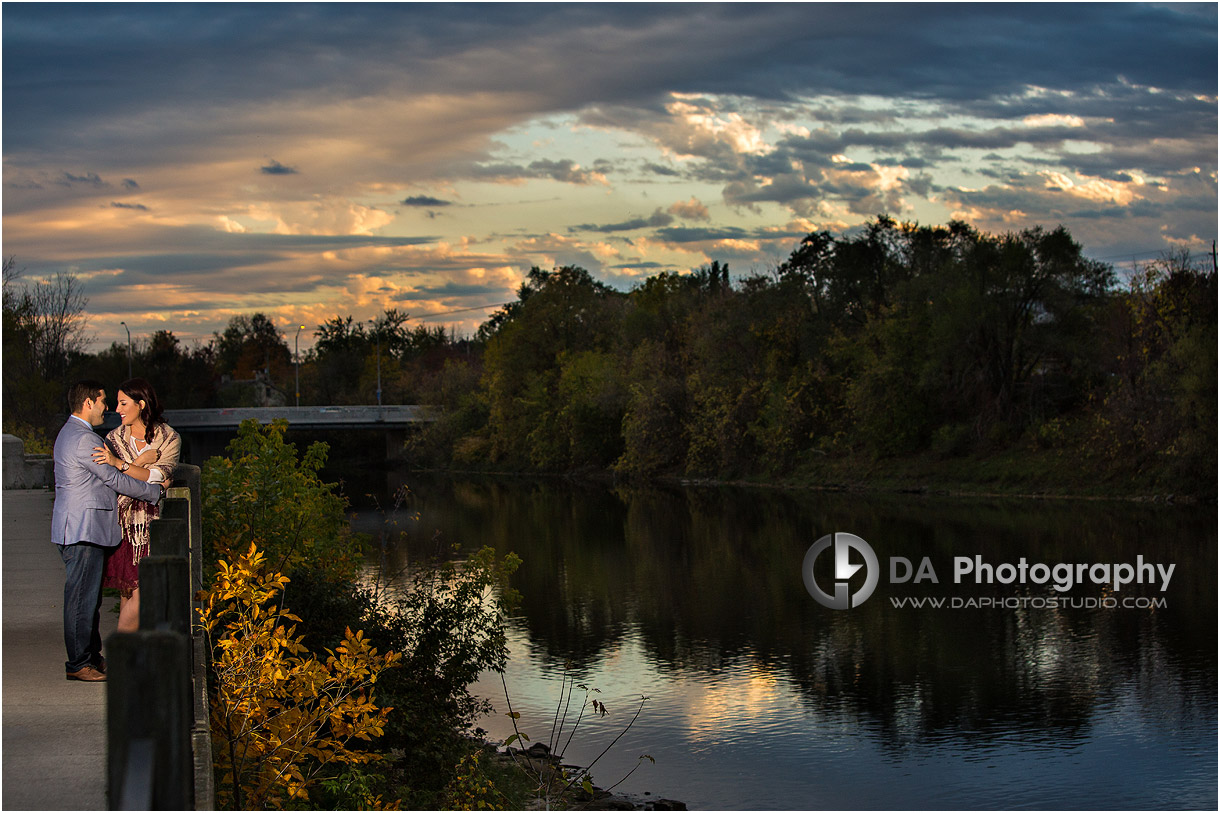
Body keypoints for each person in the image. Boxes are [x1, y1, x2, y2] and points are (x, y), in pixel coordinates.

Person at [52, 380, 164, 682]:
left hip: (79, 527)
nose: (108, 409)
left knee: (89, 599)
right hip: (83, 528)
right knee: (81, 600)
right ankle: (78, 663)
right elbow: (114, 479)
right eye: (103, 402)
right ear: (89, 403)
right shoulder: (84, 439)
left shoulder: (73, 433)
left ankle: (91, 657)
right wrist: (153, 492)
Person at [91, 378, 181, 634]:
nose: (116, 409)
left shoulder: (168, 437)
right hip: (122, 528)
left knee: (144, 595)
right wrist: (141, 463)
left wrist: (122, 465)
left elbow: (159, 476)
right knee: (130, 595)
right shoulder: (112, 440)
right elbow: (115, 481)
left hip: (154, 529)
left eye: (122, 403)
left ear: (141, 404)